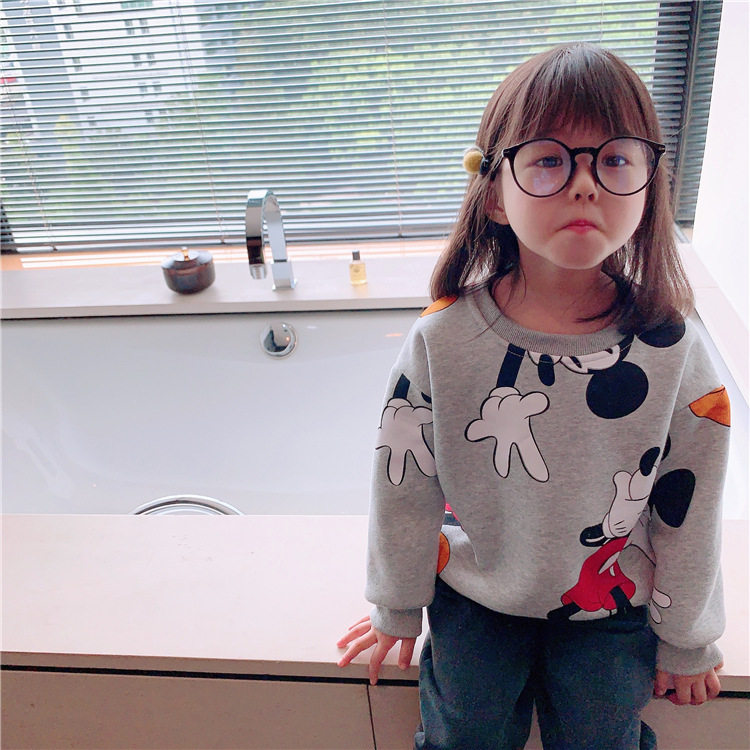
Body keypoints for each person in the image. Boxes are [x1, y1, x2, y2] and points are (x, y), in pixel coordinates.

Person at [337, 42, 730, 750]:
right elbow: (404, 480)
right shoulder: (443, 338)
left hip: (613, 603)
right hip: (477, 593)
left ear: (648, 186)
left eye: (614, 160)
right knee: (465, 736)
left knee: (601, 739)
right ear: (494, 192)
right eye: (548, 159)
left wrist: (688, 639)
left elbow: (690, 509)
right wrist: (396, 603)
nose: (584, 185)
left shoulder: (675, 347)